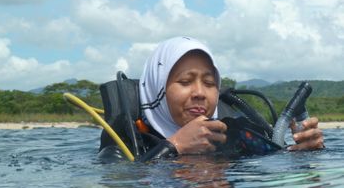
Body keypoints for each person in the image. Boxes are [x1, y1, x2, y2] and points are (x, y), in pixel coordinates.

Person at [98, 36, 324, 161]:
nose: (199, 93)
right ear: (157, 86)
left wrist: (305, 153)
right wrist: (174, 145)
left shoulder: (231, 134)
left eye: (209, 83)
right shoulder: (124, 141)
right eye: (185, 81)